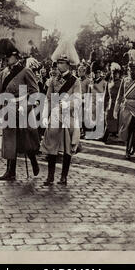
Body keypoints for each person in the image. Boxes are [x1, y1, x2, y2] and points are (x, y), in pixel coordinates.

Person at [0, 38, 40, 181]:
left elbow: (34, 92)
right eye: (5, 57)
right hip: (8, 110)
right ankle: (10, 171)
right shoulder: (3, 73)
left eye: (8, 57)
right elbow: (0, 94)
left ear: (16, 57)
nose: (6, 60)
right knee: (9, 141)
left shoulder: (26, 72)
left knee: (26, 141)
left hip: (22, 109)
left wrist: (26, 108)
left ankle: (33, 160)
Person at [41, 43, 81, 186]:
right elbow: (48, 98)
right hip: (55, 115)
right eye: (58, 62)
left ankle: (64, 176)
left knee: (67, 147)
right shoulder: (53, 80)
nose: (59, 65)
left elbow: (77, 99)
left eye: (62, 62)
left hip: (68, 116)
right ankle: (50, 176)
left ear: (68, 65)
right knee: (51, 145)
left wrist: (67, 104)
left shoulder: (75, 81)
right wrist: (45, 115)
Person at [113, 58, 135, 159]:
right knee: (126, 129)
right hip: (126, 107)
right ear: (128, 69)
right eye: (131, 68)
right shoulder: (124, 80)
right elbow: (120, 96)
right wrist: (116, 109)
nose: (133, 70)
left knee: (132, 129)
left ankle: (127, 150)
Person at [102, 63, 123, 143]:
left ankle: (112, 136)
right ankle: (106, 136)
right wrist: (104, 106)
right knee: (108, 120)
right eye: (113, 73)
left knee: (117, 121)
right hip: (110, 104)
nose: (115, 75)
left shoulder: (121, 83)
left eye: (116, 73)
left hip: (118, 104)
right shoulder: (109, 83)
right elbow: (106, 96)